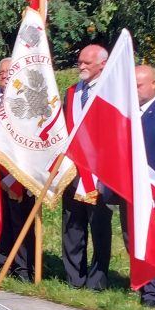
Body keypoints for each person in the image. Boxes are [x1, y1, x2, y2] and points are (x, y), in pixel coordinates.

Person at [119, 65, 155, 307]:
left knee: (152, 241)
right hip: (129, 189)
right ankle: (141, 284)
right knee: (131, 238)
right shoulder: (128, 114)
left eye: (139, 85)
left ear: (153, 85)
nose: (136, 90)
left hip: (153, 191)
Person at [61, 44, 112, 290]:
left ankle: (97, 279)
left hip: (98, 172)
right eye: (79, 61)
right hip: (72, 171)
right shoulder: (71, 92)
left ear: (102, 64)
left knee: (99, 227)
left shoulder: (111, 94)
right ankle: (74, 278)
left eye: (87, 63)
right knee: (72, 225)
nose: (81, 66)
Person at [0, 57, 33, 281]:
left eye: (9, 72)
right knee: (2, 218)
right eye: (0, 71)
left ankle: (24, 267)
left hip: (18, 170)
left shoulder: (24, 101)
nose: (3, 75)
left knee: (20, 219)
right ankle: (4, 262)